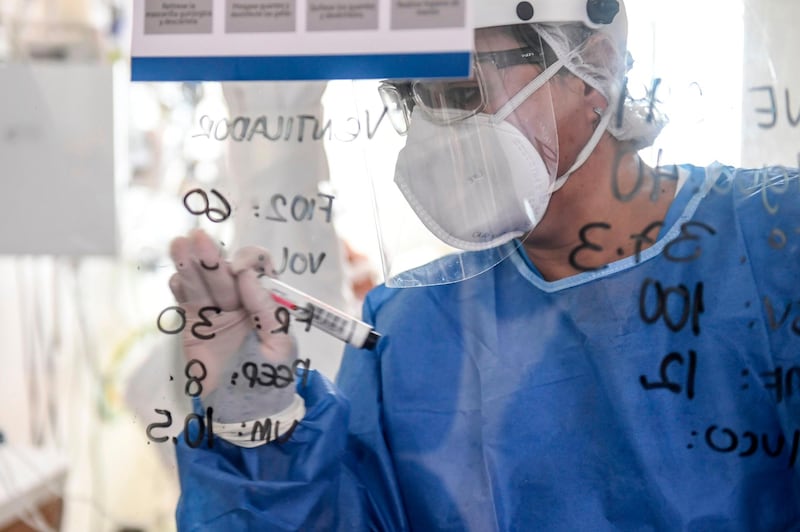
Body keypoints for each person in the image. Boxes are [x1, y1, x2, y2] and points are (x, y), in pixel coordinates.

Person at [167, 0, 800, 529]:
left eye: (465, 90)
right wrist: (250, 410)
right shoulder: (413, 328)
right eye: (415, 97)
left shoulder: (775, 241)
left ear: (593, 64)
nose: (437, 128)